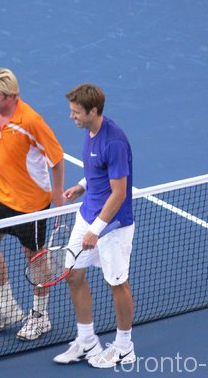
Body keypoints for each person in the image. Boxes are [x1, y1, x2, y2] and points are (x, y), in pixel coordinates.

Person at [0, 68, 65, 341]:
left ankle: (40, 316)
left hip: (31, 203)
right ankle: (8, 307)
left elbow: (57, 158)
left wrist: (58, 195)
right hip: (0, 194)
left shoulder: (31, 121)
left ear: (10, 96)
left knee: (35, 259)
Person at [54, 83, 136, 368]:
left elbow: (120, 192)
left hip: (113, 226)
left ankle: (125, 347)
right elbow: (97, 173)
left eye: (76, 112)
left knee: (117, 284)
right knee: (73, 275)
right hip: (87, 216)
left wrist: (96, 229)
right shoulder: (90, 133)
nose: (71, 116)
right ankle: (87, 341)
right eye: (72, 111)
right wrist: (80, 186)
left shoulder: (114, 142)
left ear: (94, 111)